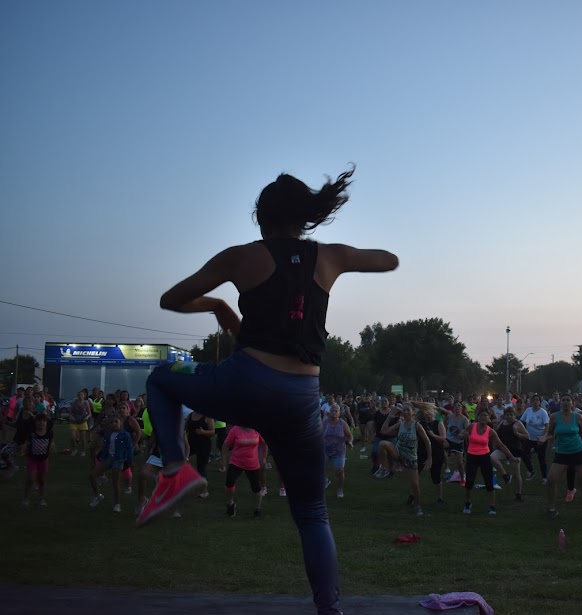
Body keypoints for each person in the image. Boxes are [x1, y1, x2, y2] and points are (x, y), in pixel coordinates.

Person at [139, 167, 398, 615]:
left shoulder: (239, 257)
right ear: (303, 218)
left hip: (246, 383)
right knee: (312, 515)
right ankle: (329, 610)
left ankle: (176, 468)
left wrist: (217, 303)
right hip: (301, 400)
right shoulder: (329, 257)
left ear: (260, 218)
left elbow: (171, 299)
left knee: (161, 378)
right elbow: (389, 260)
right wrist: (340, 255)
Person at [545, 394, 582, 521]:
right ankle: (552, 509)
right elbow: (550, 433)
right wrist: (544, 438)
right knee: (551, 479)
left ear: (572, 403)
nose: (565, 402)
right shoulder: (554, 417)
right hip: (561, 453)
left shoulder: (578, 417)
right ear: (560, 403)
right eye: (563, 400)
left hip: (578, 452)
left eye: (568, 400)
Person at [378, 401, 432, 516]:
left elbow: (427, 441)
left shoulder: (416, 425)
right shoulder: (400, 424)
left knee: (415, 485)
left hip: (411, 457)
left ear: (413, 413)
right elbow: (383, 431)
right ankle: (385, 469)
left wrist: (429, 458)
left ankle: (417, 506)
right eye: (404, 410)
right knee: (382, 443)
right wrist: (389, 416)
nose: (406, 412)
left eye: (408, 410)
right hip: (399, 453)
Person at [462, 409, 515, 516]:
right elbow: (461, 435)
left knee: (489, 482)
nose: (483, 417)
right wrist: (463, 435)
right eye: (481, 415)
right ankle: (468, 503)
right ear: (478, 417)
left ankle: (491, 506)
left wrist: (511, 457)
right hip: (472, 456)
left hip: (484, 457)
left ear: (488, 419)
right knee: (469, 482)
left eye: (485, 415)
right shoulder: (472, 426)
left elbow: (500, 445)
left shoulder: (490, 431)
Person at [493, 407, 528, 501]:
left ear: (514, 415)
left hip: (515, 450)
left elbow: (527, 436)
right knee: (492, 457)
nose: (509, 416)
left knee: (516, 474)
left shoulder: (517, 423)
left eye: (511, 415)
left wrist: (518, 434)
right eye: (507, 414)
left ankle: (518, 494)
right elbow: (497, 433)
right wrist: (495, 428)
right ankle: (505, 475)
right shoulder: (502, 422)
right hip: (503, 449)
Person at [21, 412, 53, 507]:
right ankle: (26, 498)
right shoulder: (32, 433)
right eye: (39, 421)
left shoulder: (49, 433)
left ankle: (41, 499)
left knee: (41, 481)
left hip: (44, 460)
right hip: (32, 459)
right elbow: (27, 443)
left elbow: (51, 442)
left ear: (46, 422)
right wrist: (23, 449)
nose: (41, 423)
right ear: (35, 422)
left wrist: (52, 446)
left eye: (44, 421)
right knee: (31, 480)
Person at [322, 404, 353, 498]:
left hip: (339, 451)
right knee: (318, 467)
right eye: (332, 410)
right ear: (329, 412)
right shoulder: (325, 423)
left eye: (336, 411)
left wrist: (350, 442)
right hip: (325, 449)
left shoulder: (342, 423)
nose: (334, 412)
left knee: (339, 471)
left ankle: (340, 489)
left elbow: (349, 435)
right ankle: (325, 480)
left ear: (339, 413)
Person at [67, 391, 92, 456]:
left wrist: (86, 417)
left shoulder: (86, 403)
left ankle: (83, 451)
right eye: (79, 395)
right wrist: (71, 417)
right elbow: (70, 412)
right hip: (74, 421)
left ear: (84, 395)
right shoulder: (74, 403)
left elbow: (89, 413)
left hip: (82, 422)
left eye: (81, 395)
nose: (80, 396)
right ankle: (74, 449)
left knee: (82, 438)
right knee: (72, 437)